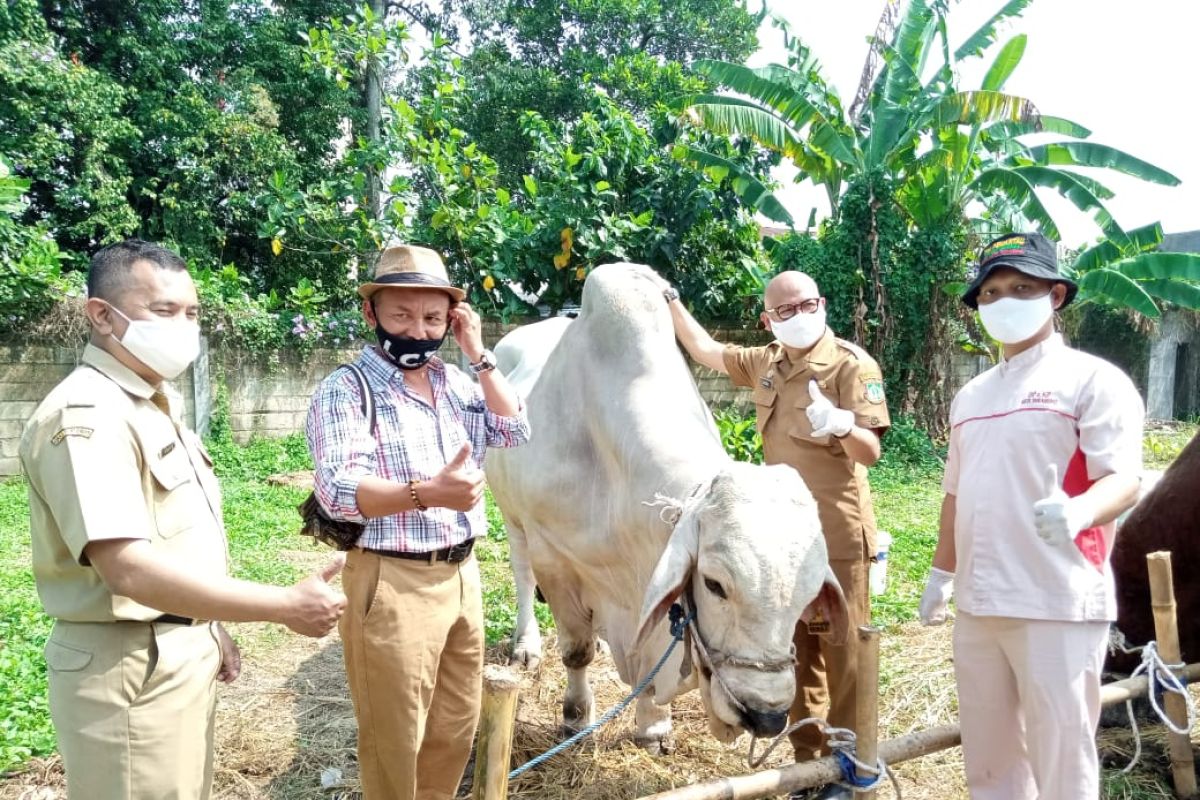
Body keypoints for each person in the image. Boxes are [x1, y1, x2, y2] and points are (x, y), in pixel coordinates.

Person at [19, 239, 348, 800]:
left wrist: (209, 626)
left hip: (172, 652)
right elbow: (127, 568)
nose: (183, 326)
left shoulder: (150, 402)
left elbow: (175, 539)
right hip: (129, 670)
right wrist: (284, 606)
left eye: (191, 313)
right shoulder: (89, 416)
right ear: (101, 315)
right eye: (163, 311)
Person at [919, 232, 1144, 799]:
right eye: (990, 293)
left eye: (1022, 287)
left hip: (1057, 601)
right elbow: (955, 493)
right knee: (991, 763)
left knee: (1062, 761)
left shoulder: (1092, 380)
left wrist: (1078, 511)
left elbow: (1123, 478)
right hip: (980, 603)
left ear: (1056, 295)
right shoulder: (970, 396)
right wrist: (941, 574)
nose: (1004, 301)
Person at [306, 244, 529, 800]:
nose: (417, 330)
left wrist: (478, 353)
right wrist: (428, 494)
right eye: (402, 315)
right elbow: (337, 492)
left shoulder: (456, 383)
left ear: (450, 320)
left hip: (461, 577)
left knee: (454, 726)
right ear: (371, 313)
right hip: (391, 582)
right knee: (394, 737)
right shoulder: (347, 390)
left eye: (432, 318)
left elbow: (513, 430)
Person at [665, 270, 890, 800]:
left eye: (805, 305)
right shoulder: (767, 362)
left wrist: (841, 425)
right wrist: (669, 296)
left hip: (835, 536)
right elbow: (703, 348)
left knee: (844, 653)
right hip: (778, 543)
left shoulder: (851, 366)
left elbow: (871, 453)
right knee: (794, 650)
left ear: (822, 303)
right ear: (768, 318)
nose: (796, 317)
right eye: (783, 311)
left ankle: (853, 766)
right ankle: (808, 765)